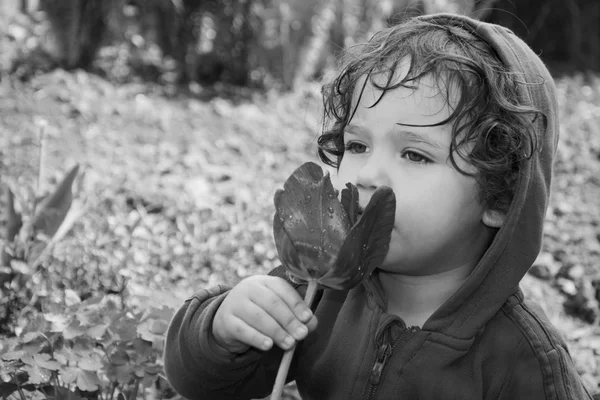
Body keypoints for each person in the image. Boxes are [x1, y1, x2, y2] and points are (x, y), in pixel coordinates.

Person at [163, 13, 594, 400]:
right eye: (357, 145)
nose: (366, 174)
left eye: (415, 155)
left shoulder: (524, 359)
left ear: (501, 196)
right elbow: (202, 381)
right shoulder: (322, 287)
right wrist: (222, 329)